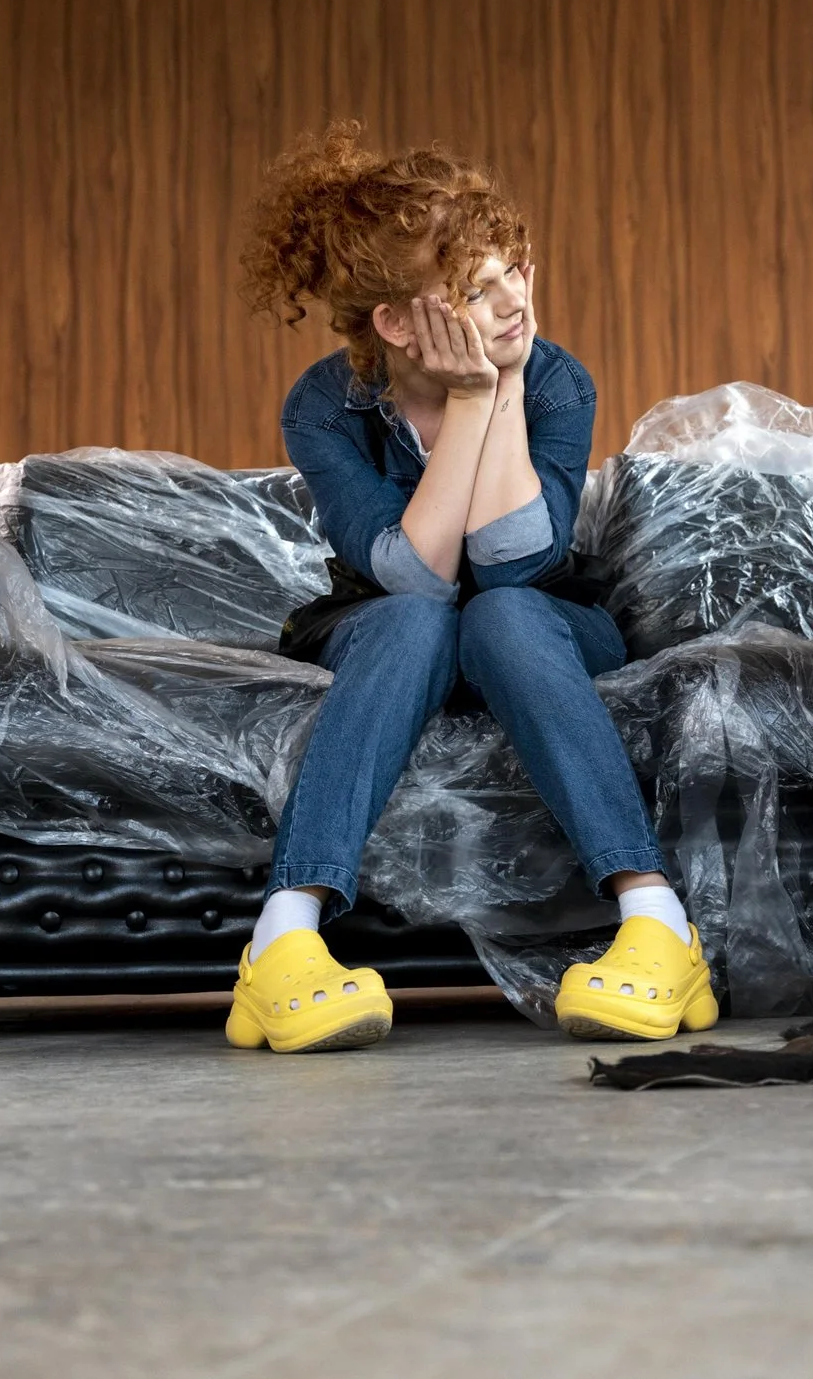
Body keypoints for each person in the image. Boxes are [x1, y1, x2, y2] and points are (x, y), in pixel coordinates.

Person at [226, 123, 716, 1053]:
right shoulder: (324, 405)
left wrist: (505, 386)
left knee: (502, 613)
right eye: (475, 289)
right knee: (416, 616)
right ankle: (281, 941)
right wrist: (470, 402)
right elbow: (414, 571)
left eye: (516, 270)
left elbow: (517, 562)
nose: (514, 301)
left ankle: (658, 922)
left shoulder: (556, 378)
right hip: (386, 623)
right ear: (399, 325)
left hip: (536, 619)